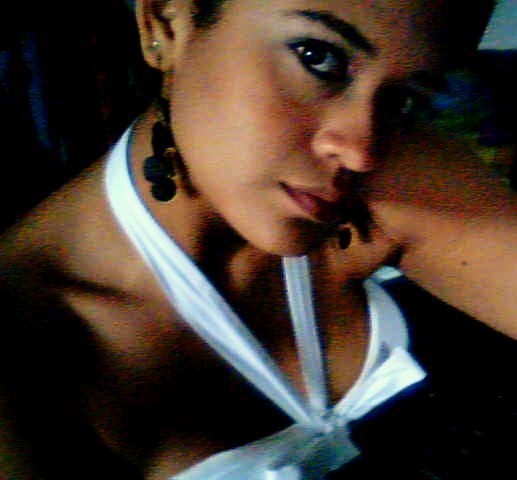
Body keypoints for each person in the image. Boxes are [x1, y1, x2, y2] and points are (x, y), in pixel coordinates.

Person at [0, 1, 515, 479]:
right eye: (317, 58)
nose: (361, 152)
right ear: (165, 22)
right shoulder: (31, 357)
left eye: (406, 96)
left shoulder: (385, 176)